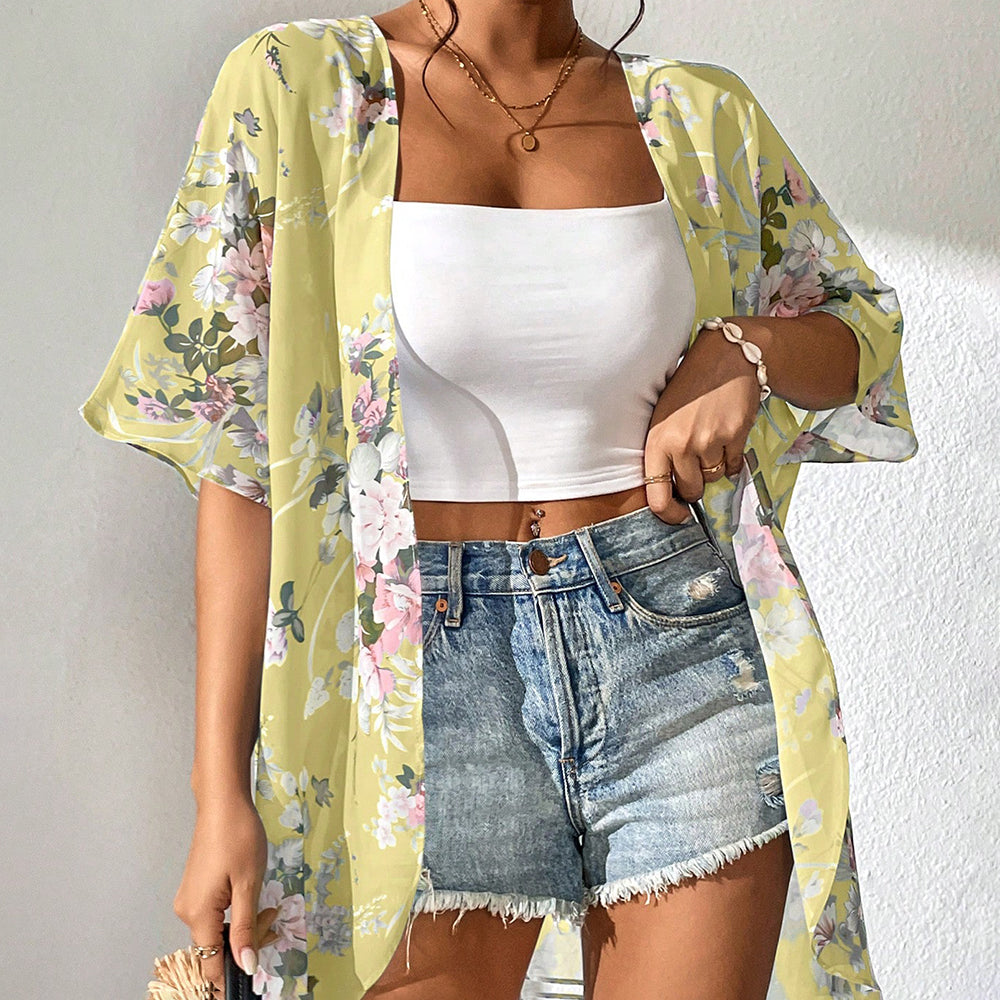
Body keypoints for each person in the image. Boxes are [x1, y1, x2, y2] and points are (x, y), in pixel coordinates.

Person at [78, 4, 918, 999]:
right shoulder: (298, 85)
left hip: (675, 649)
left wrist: (747, 348)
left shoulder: (695, 113)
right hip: (411, 683)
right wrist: (219, 791)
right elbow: (242, 459)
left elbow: (855, 326)